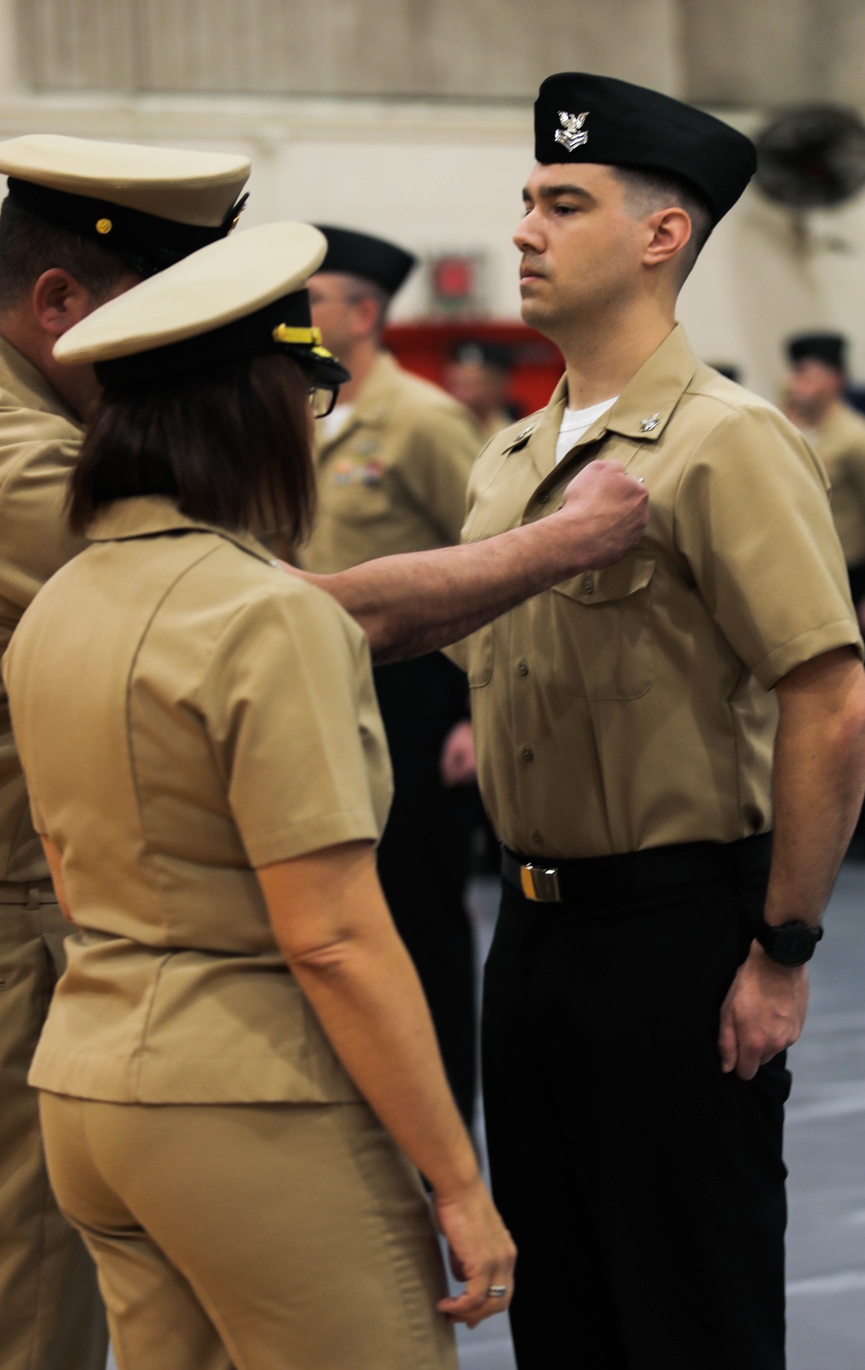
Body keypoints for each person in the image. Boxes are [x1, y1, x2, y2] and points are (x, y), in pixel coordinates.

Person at [3, 214, 649, 1370]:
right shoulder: (260, 616)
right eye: (309, 392)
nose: (317, 419)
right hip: (246, 1089)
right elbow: (334, 934)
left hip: (87, 1082)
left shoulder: (61, 601)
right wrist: (458, 1184)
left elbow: (71, 873)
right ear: (257, 411)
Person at [456, 73, 865, 1370]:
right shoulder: (511, 459)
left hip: (678, 941)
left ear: (661, 234)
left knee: (690, 1346)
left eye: (561, 203)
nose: (524, 227)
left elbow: (831, 703)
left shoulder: (724, 441)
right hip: (532, 937)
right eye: (526, 198)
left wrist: (783, 950)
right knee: (564, 1342)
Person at [0, 131, 251, 1370]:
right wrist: (547, 552)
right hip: (16, 943)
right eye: (161, 324)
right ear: (57, 308)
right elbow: (258, 626)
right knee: (25, 1336)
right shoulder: (21, 467)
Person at [297, 227, 486, 1128]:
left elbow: (494, 563)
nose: (302, 310)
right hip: (322, 693)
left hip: (415, 693)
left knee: (420, 909)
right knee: (340, 907)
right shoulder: (307, 410)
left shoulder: (421, 419)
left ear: (365, 313)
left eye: (318, 296)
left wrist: (479, 709)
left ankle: (445, 1110)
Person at [784, 331, 865, 859]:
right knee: (810, 711)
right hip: (807, 579)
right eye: (795, 373)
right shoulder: (791, 430)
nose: (796, 383)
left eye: (808, 373)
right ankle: (822, 829)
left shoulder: (858, 438)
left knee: (857, 708)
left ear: (836, 380)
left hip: (851, 579)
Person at [444, 340, 520, 440]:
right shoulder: (441, 430)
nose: (461, 393)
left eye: (471, 384)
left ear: (498, 385)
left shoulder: (517, 432)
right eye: (457, 384)